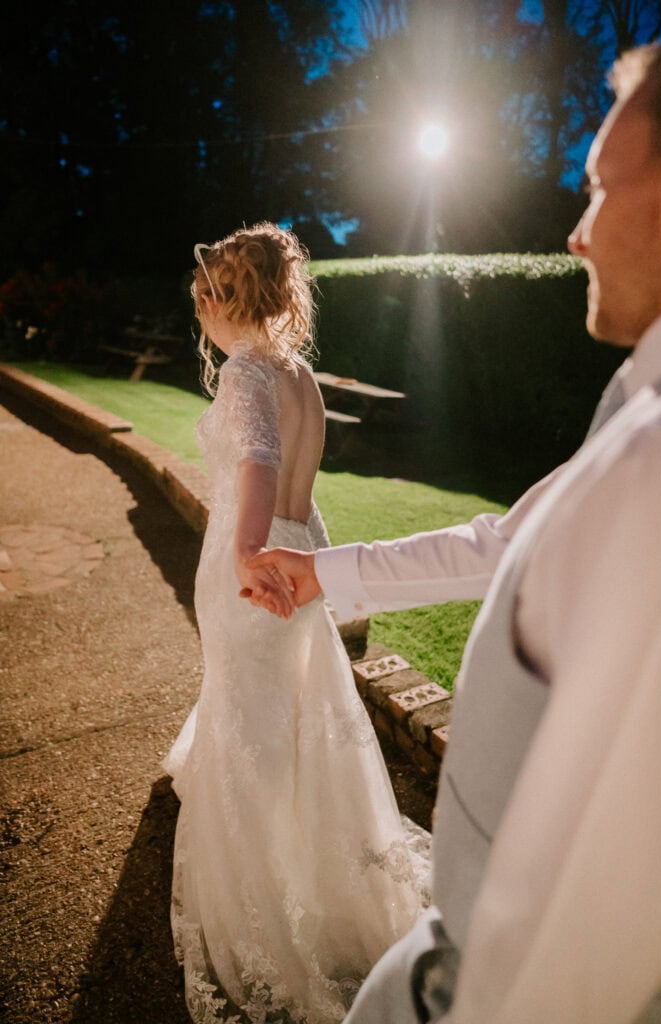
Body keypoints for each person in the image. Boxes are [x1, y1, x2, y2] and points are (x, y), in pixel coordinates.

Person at [246, 30, 661, 1024]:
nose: (577, 233)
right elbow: (502, 544)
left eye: (599, 189)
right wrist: (325, 573)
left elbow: (605, 902)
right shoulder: (649, 407)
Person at [162, 223, 429, 1024]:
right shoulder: (300, 374)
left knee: (254, 719)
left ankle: (269, 889)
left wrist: (245, 553)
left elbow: (259, 469)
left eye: (203, 299)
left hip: (252, 568)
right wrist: (295, 554)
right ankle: (321, 864)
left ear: (220, 298)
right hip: (299, 551)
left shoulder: (245, 374)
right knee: (294, 713)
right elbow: (301, 494)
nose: (200, 314)